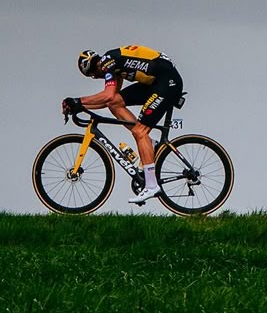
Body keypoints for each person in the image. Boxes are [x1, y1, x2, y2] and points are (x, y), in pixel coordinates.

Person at [62, 46, 184, 204]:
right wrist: (82, 106)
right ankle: (148, 143)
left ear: (93, 70)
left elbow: (107, 94)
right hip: (157, 81)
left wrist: (78, 101)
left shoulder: (107, 63)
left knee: (140, 131)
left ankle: (152, 185)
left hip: (167, 83)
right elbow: (110, 100)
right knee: (116, 104)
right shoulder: (113, 63)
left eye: (93, 75)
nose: (96, 78)